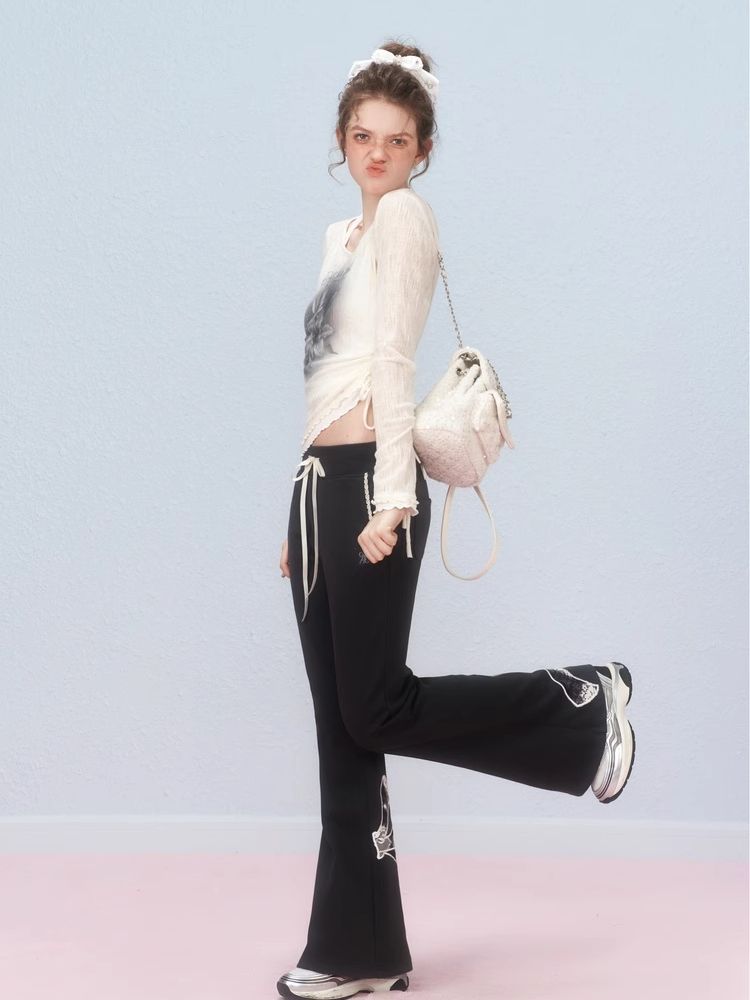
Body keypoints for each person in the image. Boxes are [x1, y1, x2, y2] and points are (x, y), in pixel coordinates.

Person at [276, 40, 636, 1000]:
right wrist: (300, 508)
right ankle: (358, 953)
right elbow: (328, 378)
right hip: (321, 484)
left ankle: (582, 707)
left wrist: (393, 497)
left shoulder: (405, 218)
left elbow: (392, 365)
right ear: (342, 140)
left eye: (396, 140)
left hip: (373, 482)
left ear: (422, 149)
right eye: (363, 136)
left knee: (372, 707)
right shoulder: (339, 237)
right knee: (343, 733)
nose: (377, 154)